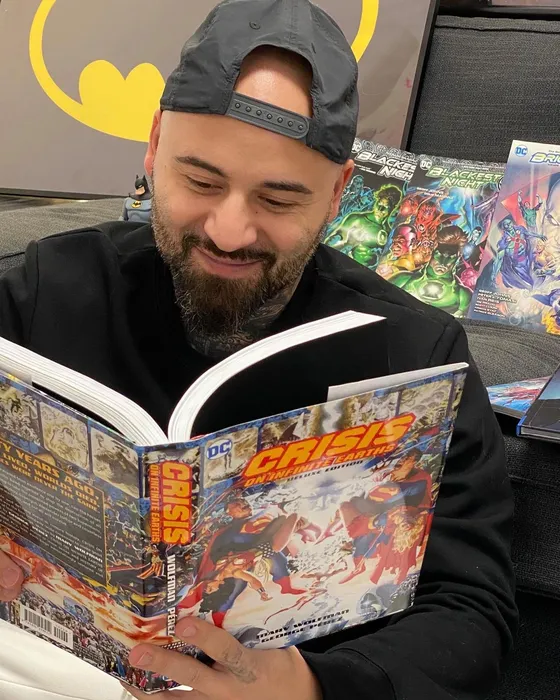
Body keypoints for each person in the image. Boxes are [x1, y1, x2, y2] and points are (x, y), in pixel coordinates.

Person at [0, 1, 516, 700]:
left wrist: (311, 686)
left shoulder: (416, 352)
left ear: (337, 193)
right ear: (153, 147)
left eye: (278, 200)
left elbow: (471, 613)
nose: (230, 231)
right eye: (201, 181)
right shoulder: (45, 289)